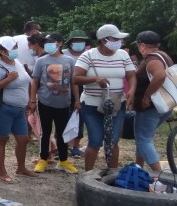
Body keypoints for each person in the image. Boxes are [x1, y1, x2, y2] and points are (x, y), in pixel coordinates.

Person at [73, 24, 136, 171]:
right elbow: (76, 78)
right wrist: (95, 79)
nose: (119, 42)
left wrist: (131, 90)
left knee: (113, 141)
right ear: (103, 40)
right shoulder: (88, 56)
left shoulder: (123, 55)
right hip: (91, 105)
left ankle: (112, 174)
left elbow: (131, 75)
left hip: (116, 104)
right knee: (95, 141)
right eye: (116, 38)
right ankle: (88, 176)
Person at [0, 36, 38, 183]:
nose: (15, 50)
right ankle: (2, 171)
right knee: (2, 138)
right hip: (2, 109)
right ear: (2, 51)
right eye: (12, 48)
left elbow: (27, 82)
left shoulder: (18, 62)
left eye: (15, 47)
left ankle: (21, 168)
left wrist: (29, 100)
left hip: (19, 109)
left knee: (23, 139)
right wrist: (8, 79)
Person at [30, 33, 79, 174]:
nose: (48, 44)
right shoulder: (41, 61)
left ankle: (63, 160)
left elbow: (73, 82)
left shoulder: (69, 61)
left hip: (64, 103)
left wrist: (76, 100)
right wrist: (33, 100)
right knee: (45, 132)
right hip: (45, 102)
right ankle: (43, 159)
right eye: (46, 42)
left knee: (62, 133)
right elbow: (35, 81)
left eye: (51, 42)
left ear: (60, 43)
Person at [132, 31, 174, 171]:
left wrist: (146, 96)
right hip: (164, 105)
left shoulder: (152, 59)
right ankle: (139, 167)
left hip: (151, 107)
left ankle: (159, 176)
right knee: (143, 139)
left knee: (144, 139)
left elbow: (160, 76)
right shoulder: (163, 56)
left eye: (138, 46)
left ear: (142, 45)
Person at [63, 30, 91, 157]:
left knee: (80, 118)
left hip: (83, 88)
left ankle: (75, 145)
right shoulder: (63, 54)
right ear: (70, 43)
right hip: (64, 89)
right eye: (76, 41)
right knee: (64, 117)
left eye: (82, 41)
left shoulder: (88, 54)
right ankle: (64, 144)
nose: (79, 43)